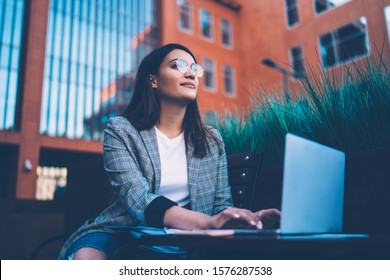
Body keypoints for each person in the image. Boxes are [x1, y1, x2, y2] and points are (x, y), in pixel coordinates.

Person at [58, 43, 280, 260]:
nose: (191, 74)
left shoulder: (212, 140)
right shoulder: (121, 130)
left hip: (183, 239)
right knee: (86, 258)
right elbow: (138, 199)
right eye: (178, 66)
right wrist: (208, 223)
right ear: (153, 80)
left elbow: (221, 205)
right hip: (122, 231)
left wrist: (246, 221)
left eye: (195, 69)